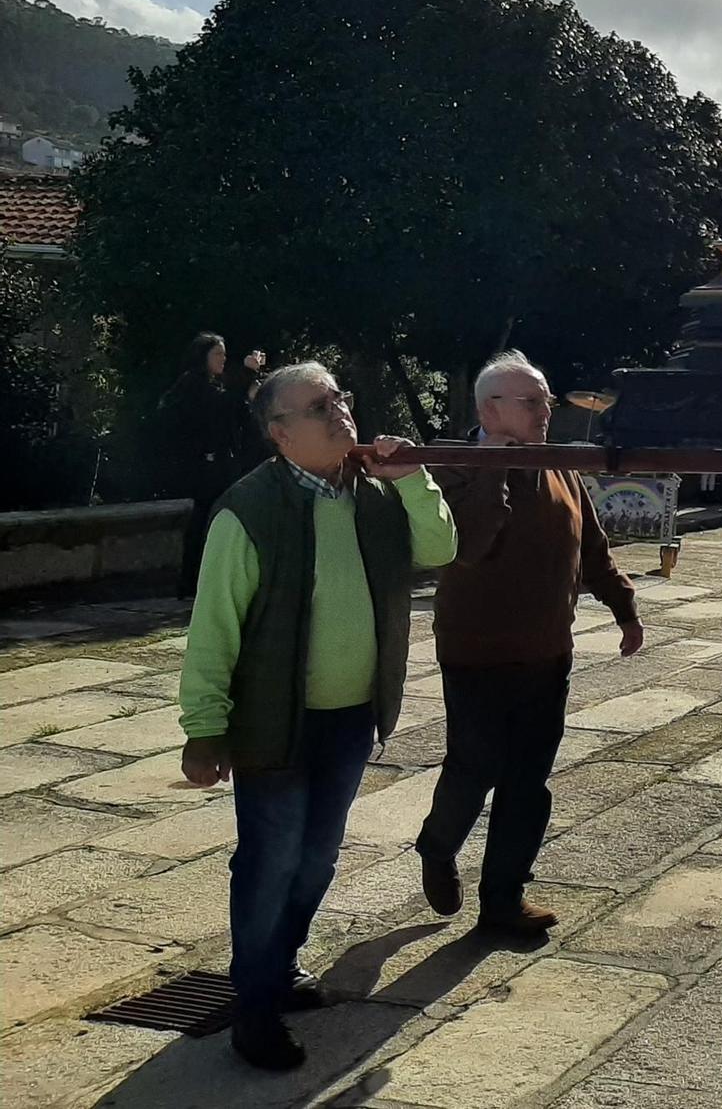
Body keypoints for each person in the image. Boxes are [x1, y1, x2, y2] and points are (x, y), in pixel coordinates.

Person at [177, 363, 456, 1071]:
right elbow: (215, 627)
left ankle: (280, 970)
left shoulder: (372, 497)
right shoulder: (250, 509)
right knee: (270, 863)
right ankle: (255, 1008)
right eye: (319, 405)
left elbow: (440, 548)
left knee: (318, 858)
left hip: (350, 716)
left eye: (340, 399)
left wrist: (413, 477)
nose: (340, 413)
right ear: (280, 433)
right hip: (275, 720)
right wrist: (203, 728)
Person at [416, 351, 642, 937]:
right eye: (533, 401)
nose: (547, 410)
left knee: (527, 781)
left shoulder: (559, 465)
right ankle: (438, 846)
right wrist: (494, 463)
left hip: (547, 651)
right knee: (474, 766)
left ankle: (503, 900)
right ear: (491, 409)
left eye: (544, 399)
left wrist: (624, 608)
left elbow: (589, 546)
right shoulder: (454, 465)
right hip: (477, 650)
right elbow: (471, 545)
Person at [161, 333, 266, 597]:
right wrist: (246, 373)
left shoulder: (213, 384)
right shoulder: (192, 384)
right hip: (205, 468)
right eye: (217, 354)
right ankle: (192, 581)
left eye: (224, 354)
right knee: (205, 522)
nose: (223, 359)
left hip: (222, 465)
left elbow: (233, 415)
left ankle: (209, 578)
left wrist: (250, 391)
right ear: (203, 357)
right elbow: (215, 409)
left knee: (218, 521)